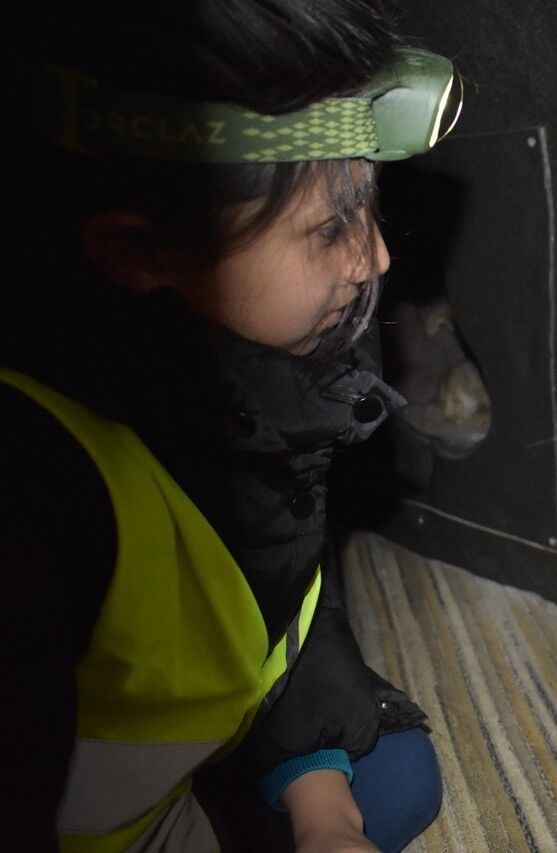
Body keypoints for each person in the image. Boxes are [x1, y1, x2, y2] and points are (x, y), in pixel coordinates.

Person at [0, 1, 461, 849]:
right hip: (97, 822)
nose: (375, 258)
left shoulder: (261, 378)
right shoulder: (39, 484)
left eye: (368, 207)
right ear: (142, 252)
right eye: (330, 227)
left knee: (392, 776)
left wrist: (323, 810)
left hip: (185, 741)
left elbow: (283, 599)